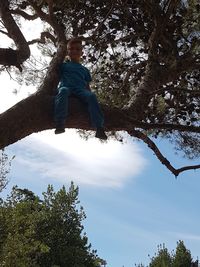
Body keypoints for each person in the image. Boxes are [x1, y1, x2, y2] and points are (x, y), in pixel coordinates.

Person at [54, 38, 107, 140]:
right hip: (66, 87)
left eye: (77, 49)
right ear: (67, 52)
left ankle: (99, 127)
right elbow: (55, 78)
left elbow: (87, 86)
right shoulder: (63, 66)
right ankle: (60, 123)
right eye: (71, 49)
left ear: (81, 53)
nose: (74, 51)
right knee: (63, 91)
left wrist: (89, 96)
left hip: (80, 90)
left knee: (91, 96)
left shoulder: (85, 70)